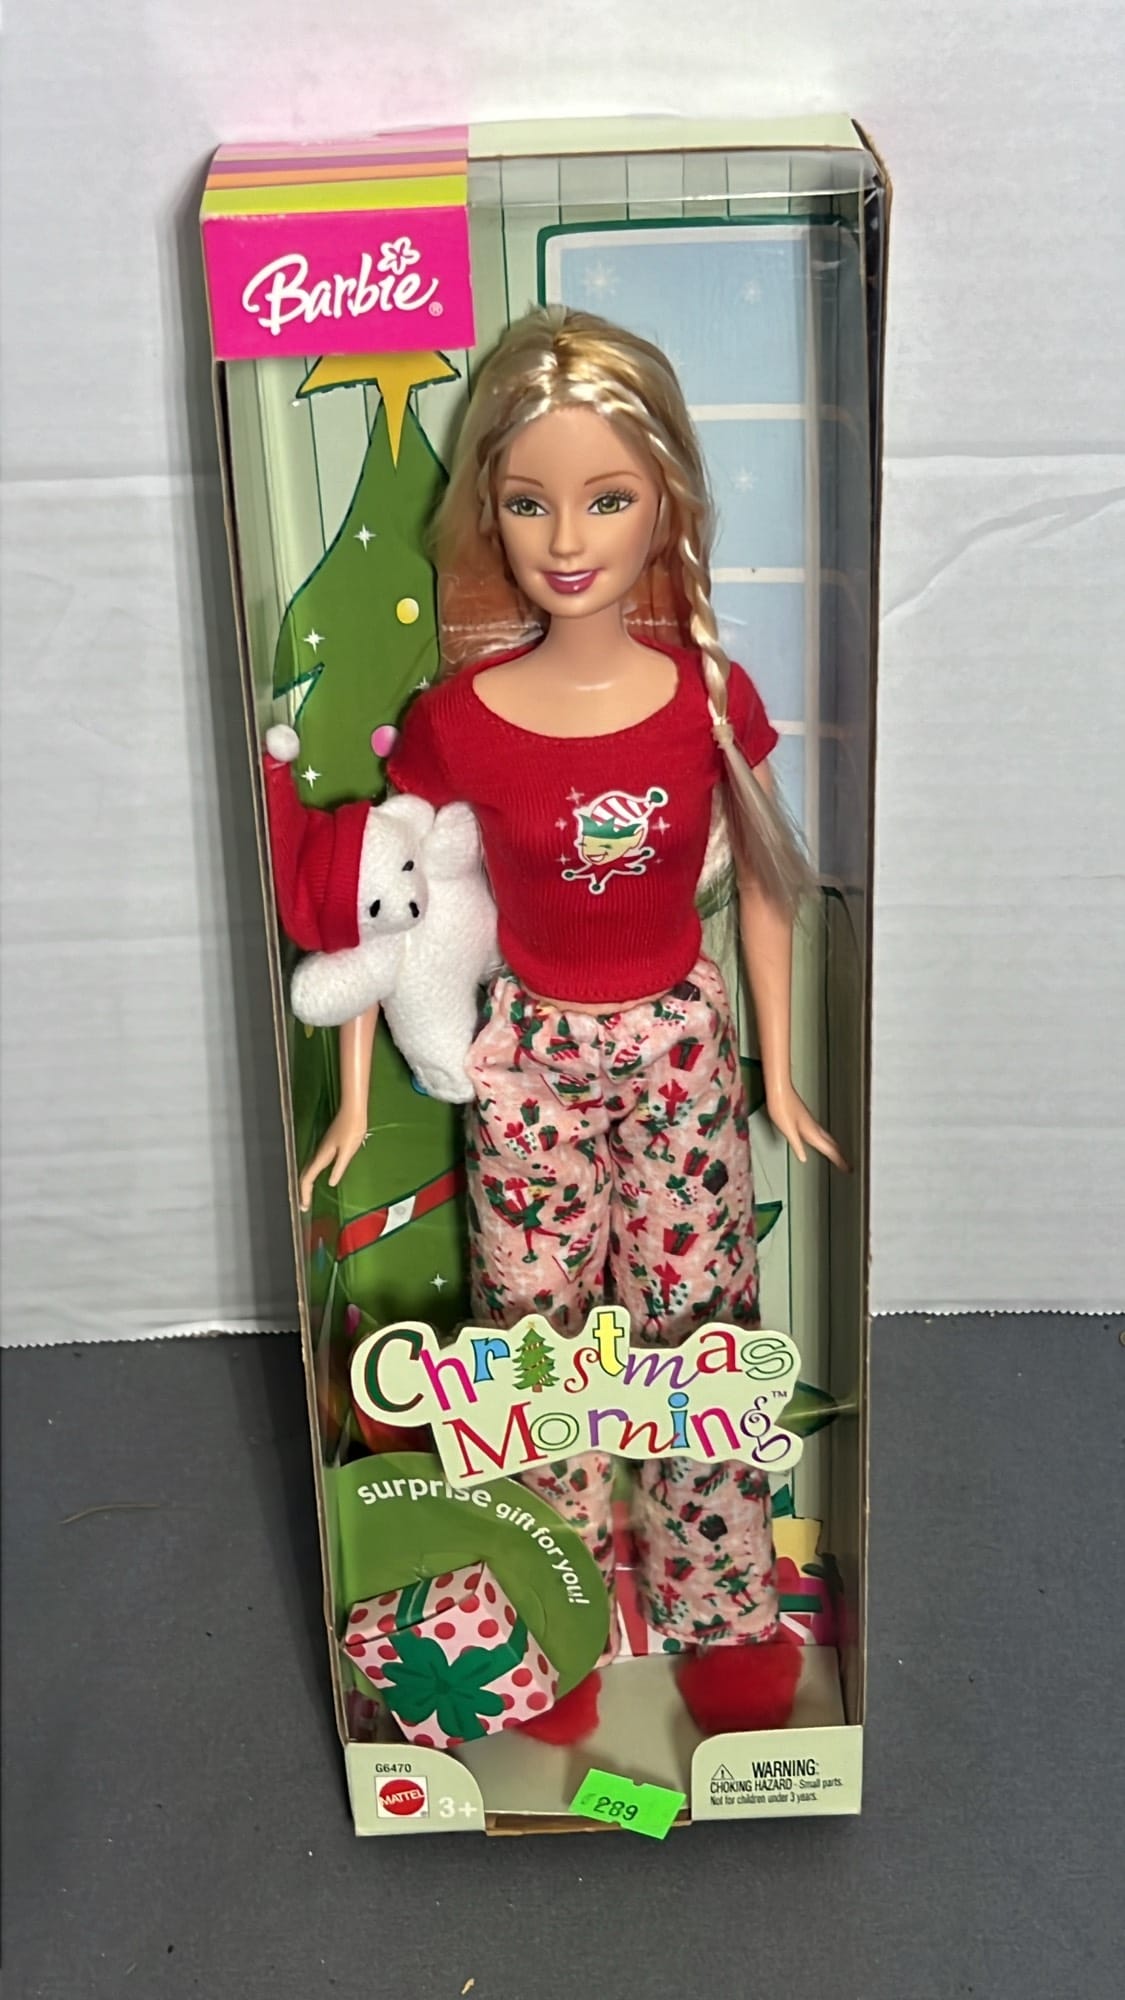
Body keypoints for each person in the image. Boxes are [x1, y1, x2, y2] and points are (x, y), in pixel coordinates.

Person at [301, 307, 845, 1740]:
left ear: (665, 502)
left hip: (679, 1044)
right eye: (528, 500)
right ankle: (551, 1606)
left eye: (606, 498)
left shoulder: (706, 701)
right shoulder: (461, 717)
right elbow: (391, 905)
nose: (565, 537)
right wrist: (354, 1093)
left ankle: (721, 1608)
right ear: (488, 510)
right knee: (533, 1345)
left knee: (697, 1334)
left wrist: (780, 1074)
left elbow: (769, 887)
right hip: (529, 1056)